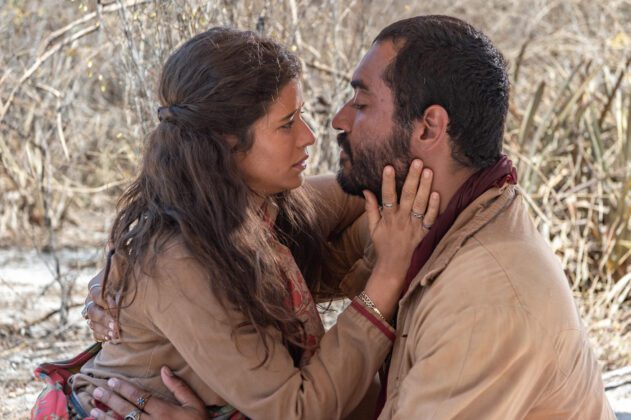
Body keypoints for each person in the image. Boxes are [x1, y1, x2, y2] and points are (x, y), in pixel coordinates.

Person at [86, 15, 616, 420]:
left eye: (360, 104)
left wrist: (384, 278)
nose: (331, 123)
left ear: (428, 128)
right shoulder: (413, 211)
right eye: (288, 123)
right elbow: (186, 249)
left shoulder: (484, 300)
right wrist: (120, 272)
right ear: (227, 145)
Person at [30, 27, 441, 420]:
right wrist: (387, 277)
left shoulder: (259, 204)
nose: (309, 136)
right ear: (227, 143)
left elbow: (365, 190)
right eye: (287, 124)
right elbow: (297, 411)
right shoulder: (179, 260)